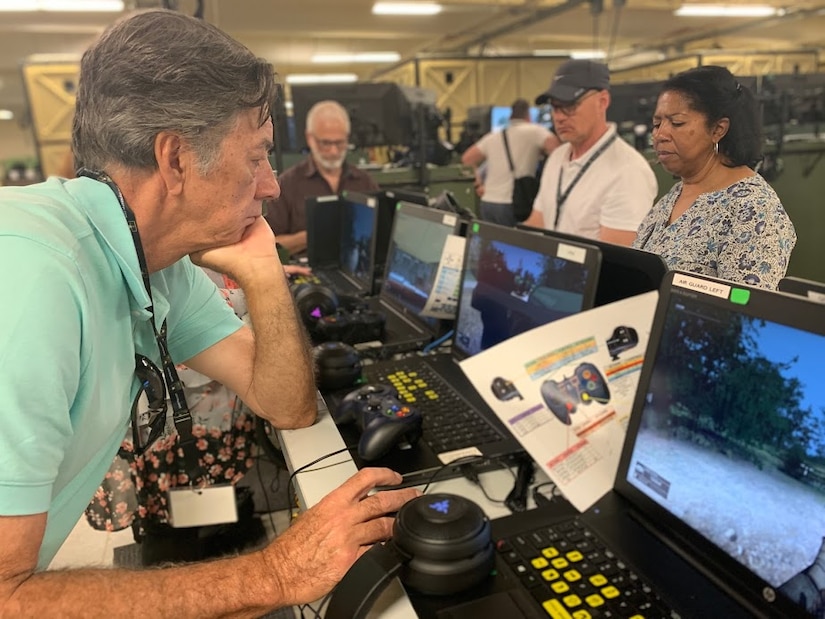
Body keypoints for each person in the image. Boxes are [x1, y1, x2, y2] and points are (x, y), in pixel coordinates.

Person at [0, 9, 419, 616]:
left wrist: (265, 273)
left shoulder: (153, 259)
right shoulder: (33, 280)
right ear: (174, 160)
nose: (272, 185)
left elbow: (286, 403)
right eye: (257, 156)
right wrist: (277, 573)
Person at [633, 66, 796, 289]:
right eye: (657, 123)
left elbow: (743, 311)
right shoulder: (678, 194)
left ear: (718, 129)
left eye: (677, 123)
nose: (660, 135)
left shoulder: (753, 210)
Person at [522, 59, 658, 246]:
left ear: (602, 101)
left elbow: (617, 263)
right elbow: (537, 223)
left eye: (569, 106)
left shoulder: (628, 171)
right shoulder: (557, 157)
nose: (559, 117)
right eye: (554, 107)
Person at [264, 100, 380, 259]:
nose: (333, 151)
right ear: (310, 138)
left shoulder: (364, 182)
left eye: (340, 143)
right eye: (326, 143)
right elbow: (267, 244)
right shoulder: (288, 184)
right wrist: (314, 235)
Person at [460, 98, 559, 226]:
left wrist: (479, 185)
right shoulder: (535, 131)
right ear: (528, 115)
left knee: (490, 243)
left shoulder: (494, 136)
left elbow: (467, 159)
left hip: (487, 202)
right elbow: (558, 151)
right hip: (512, 203)